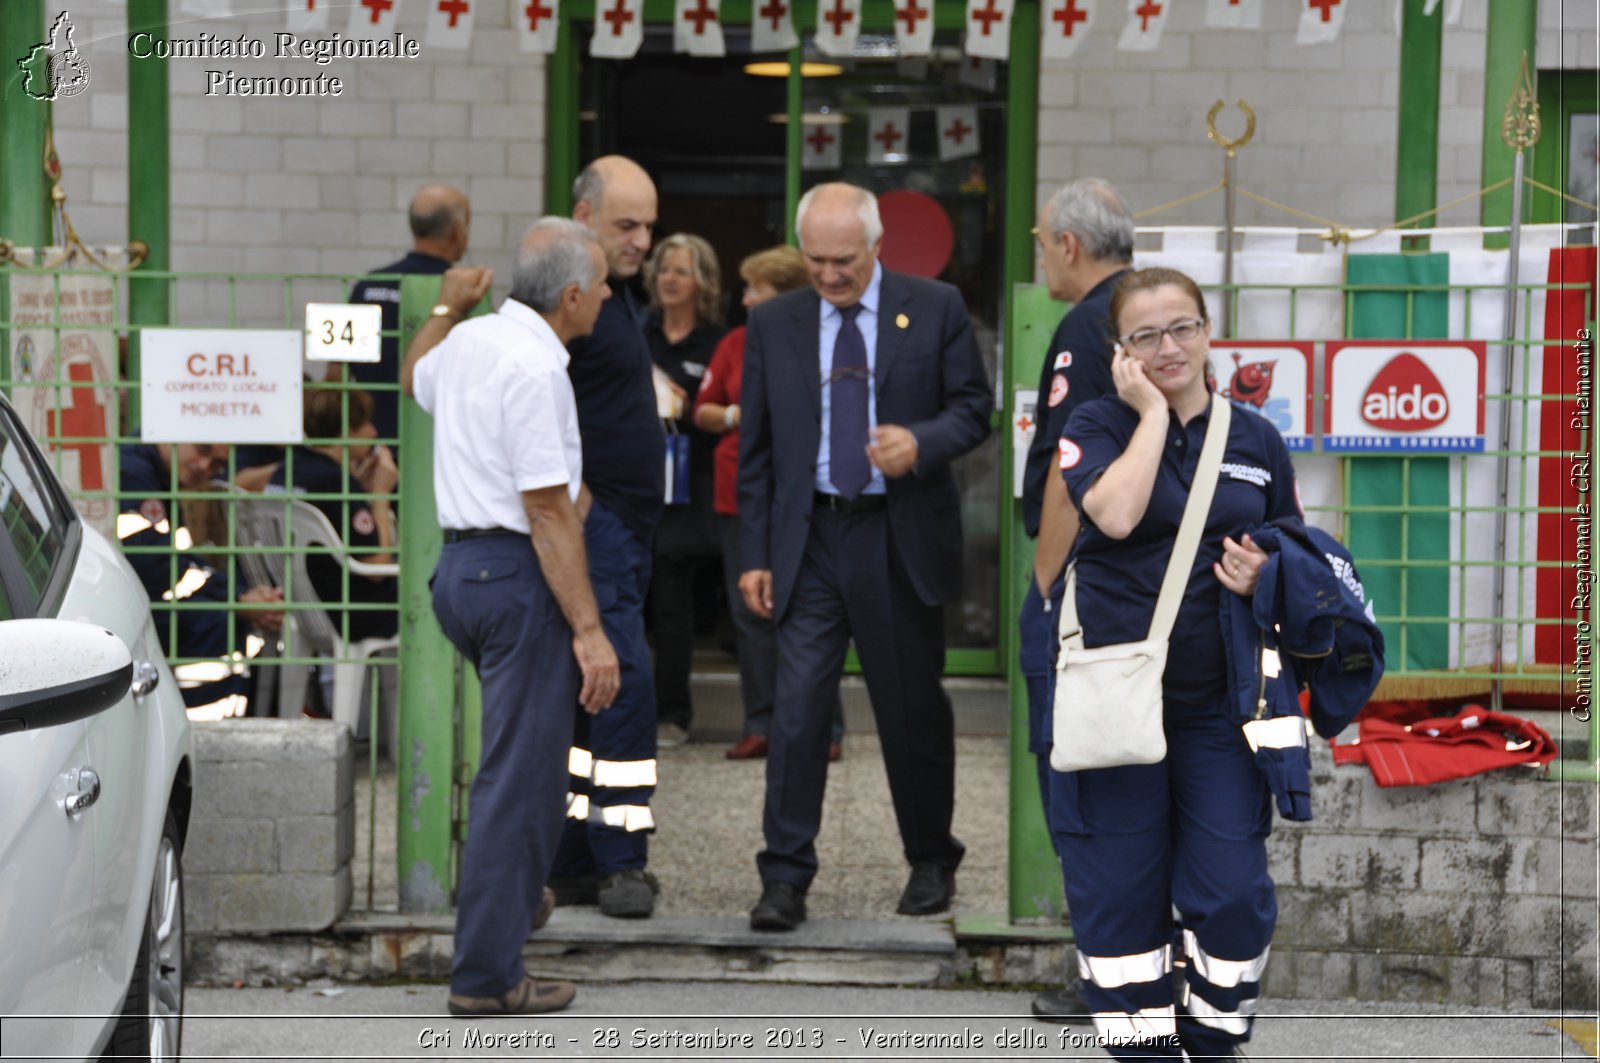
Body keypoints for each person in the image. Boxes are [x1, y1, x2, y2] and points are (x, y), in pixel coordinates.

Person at [1051, 267, 1301, 1059]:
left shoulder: (1256, 437)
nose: (1170, 346)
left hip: (1219, 708)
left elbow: (1291, 542)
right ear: (1120, 350)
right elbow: (1118, 512)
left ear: (1207, 330)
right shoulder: (1095, 423)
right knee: (1119, 904)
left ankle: (1213, 1042)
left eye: (1183, 327)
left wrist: (1269, 573)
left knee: (1232, 894)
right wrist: (1151, 412)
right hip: (1116, 706)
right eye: (1147, 334)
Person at [738, 183, 993, 931]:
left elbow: (972, 407)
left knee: (910, 708)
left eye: (843, 260)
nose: (828, 275)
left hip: (896, 531)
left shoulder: (936, 306)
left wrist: (923, 443)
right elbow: (753, 449)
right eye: (814, 260)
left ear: (877, 247)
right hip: (811, 537)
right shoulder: (775, 323)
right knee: (797, 711)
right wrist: (755, 552)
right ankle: (784, 876)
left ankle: (930, 858)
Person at [400, 218, 620, 1018]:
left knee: (513, 768)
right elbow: (547, 510)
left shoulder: (469, 342)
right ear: (569, 296)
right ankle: (487, 975)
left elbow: (413, 375)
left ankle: (513, 898)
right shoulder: (536, 368)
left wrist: (445, 306)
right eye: (598, 286)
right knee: (519, 785)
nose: (603, 299)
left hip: (461, 573)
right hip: (514, 574)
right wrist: (590, 631)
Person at [1019, 177, 1133, 1023]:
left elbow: (1070, 464)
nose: (1041, 256)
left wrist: (1046, 587)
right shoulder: (1150, 314)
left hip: (1084, 591)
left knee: (1076, 782)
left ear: (1067, 245)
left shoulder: (1083, 324)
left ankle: (1107, 969)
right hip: (1131, 589)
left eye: (1041, 242)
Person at [550, 155, 668, 919]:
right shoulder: (565, 294)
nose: (643, 240)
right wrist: (579, 495)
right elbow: (534, 394)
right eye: (628, 224)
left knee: (589, 694)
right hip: (598, 529)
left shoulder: (613, 293)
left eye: (649, 225)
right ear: (585, 216)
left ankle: (575, 859)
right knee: (619, 680)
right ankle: (620, 861)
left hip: (619, 527)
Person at [692, 245, 844, 763]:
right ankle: (761, 723)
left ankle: (826, 729)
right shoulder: (736, 342)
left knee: (811, 612)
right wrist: (741, 416)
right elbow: (703, 410)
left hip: (803, 500)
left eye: (758, 289)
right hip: (741, 498)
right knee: (750, 614)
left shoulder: (823, 341)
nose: (748, 298)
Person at [118, 442, 284, 712]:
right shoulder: (134, 475)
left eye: (217, 465)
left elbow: (174, 561)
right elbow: (155, 567)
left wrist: (238, 595)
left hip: (137, 606)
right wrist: (237, 599)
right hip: (131, 612)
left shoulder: (156, 476)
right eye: (204, 449)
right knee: (224, 625)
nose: (205, 467)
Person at [643, 233, 726, 747]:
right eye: (663, 270)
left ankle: (673, 712)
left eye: (681, 271)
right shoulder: (637, 334)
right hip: (637, 479)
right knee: (631, 598)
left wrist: (686, 403)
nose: (669, 280)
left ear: (703, 283)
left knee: (672, 601)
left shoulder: (717, 342)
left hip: (690, 483)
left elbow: (728, 409)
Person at [265, 387, 398, 644]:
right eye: (366, 424)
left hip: (303, 607)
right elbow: (377, 566)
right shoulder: (336, 484)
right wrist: (380, 496)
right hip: (351, 613)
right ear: (347, 430)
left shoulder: (287, 470)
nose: (374, 432)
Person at [347, 183, 471, 454]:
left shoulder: (368, 286)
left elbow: (338, 374)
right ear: (457, 231)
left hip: (374, 446)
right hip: (436, 442)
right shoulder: (465, 294)